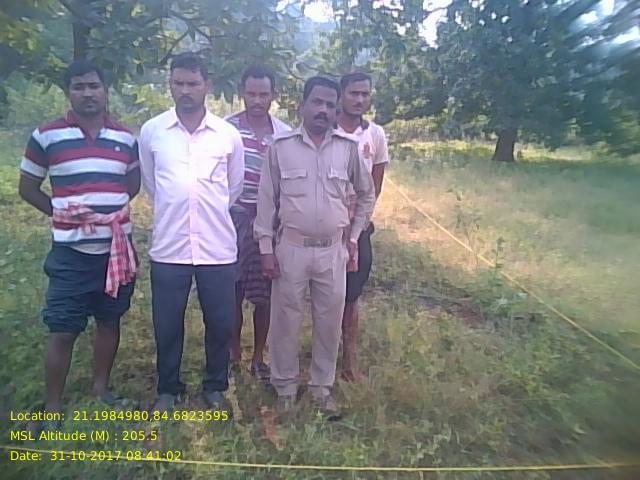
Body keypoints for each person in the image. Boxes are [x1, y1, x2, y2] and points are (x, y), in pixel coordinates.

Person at [18, 59, 140, 422]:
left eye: (94, 86)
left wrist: (105, 214)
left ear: (105, 90)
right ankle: (52, 407)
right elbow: (28, 188)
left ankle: (101, 390)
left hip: (115, 251)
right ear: (68, 92)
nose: (88, 93)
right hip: (70, 253)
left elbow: (131, 185)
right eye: (79, 87)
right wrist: (63, 215)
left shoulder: (125, 138)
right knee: (63, 328)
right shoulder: (47, 136)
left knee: (110, 320)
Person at [254, 76, 375, 417]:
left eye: (329, 104)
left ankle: (322, 389)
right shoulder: (280, 147)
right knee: (285, 320)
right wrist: (266, 247)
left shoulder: (347, 148)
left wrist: (353, 238)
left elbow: (366, 194)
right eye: (316, 102)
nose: (323, 110)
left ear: (335, 109)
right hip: (290, 248)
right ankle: (284, 388)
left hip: (333, 252)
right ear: (302, 105)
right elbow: (266, 200)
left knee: (329, 322)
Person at [138, 53, 244, 414]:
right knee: (167, 324)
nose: (185, 90)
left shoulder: (227, 136)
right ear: (170, 84)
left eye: (193, 83)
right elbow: (152, 185)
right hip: (170, 247)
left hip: (217, 247)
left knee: (221, 323)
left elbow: (233, 189)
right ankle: (168, 388)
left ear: (207, 86)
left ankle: (215, 386)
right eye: (178, 83)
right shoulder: (152, 132)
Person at [226, 65, 290, 381]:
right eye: (251, 93)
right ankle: (233, 353)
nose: (256, 100)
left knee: (266, 293)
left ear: (273, 95)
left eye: (263, 94)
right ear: (241, 93)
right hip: (233, 219)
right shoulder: (226, 131)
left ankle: (258, 357)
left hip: (271, 224)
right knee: (233, 290)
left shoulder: (285, 134)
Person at [335, 72, 389, 383]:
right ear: (341, 94)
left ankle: (348, 363)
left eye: (364, 94)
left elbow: (375, 187)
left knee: (351, 298)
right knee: (321, 296)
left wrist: (358, 227)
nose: (358, 99)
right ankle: (318, 360)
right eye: (353, 93)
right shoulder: (325, 129)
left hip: (357, 231)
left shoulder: (375, 135)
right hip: (324, 229)